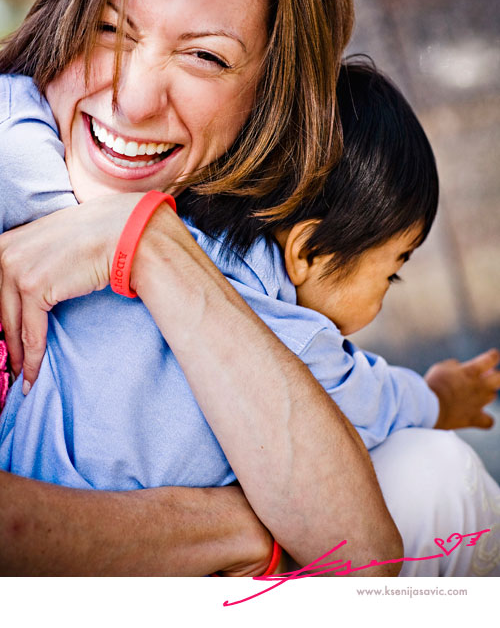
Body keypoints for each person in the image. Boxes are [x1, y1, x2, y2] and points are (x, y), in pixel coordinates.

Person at [0, 0, 402, 576]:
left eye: (206, 58)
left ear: (268, 99)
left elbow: (361, 554)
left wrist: (151, 244)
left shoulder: (236, 262)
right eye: (109, 28)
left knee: (440, 477)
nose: (134, 101)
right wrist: (232, 527)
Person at [2, 50, 500, 574]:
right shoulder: (296, 343)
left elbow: (17, 129)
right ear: (307, 252)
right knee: (443, 475)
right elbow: (378, 400)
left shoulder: (128, 228)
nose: (384, 297)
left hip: (23, 452)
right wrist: (439, 397)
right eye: (391, 273)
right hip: (114, 548)